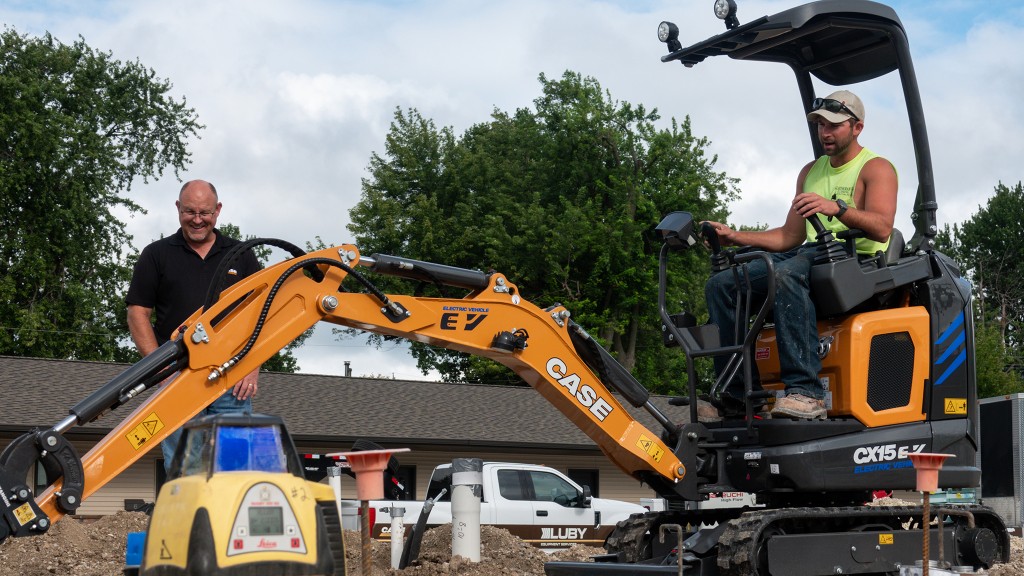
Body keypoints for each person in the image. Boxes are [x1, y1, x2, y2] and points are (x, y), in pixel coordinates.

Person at [701, 90, 897, 421]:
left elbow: (881, 228)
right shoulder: (810, 171)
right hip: (811, 252)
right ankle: (736, 397)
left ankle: (806, 392)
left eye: (833, 126)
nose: (825, 133)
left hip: (855, 258)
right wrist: (734, 236)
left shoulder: (876, 168)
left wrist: (837, 208)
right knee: (722, 284)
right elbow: (788, 236)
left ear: (857, 127)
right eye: (821, 125)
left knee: (787, 274)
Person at [126, 179, 262, 472]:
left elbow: (261, 312)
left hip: (232, 378)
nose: (198, 220)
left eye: (205, 212)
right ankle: (186, 518)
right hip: (177, 377)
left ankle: (229, 519)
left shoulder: (241, 255)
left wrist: (252, 367)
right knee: (185, 464)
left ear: (218, 211)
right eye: (190, 212)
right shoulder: (157, 255)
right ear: (178, 209)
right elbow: (137, 312)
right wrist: (157, 367)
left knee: (237, 465)